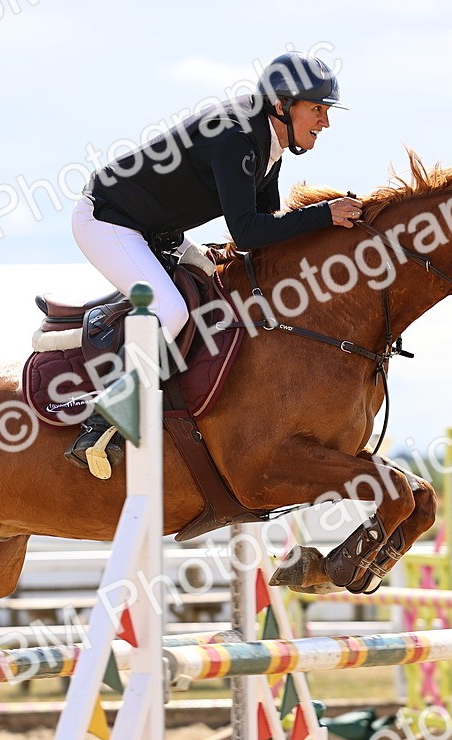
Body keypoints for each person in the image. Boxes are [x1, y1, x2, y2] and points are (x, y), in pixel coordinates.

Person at [66, 51, 365, 472]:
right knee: (169, 310)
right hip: (108, 222)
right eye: (317, 109)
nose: (325, 122)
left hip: (157, 234)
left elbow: (267, 234)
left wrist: (329, 232)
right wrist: (324, 214)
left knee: (219, 287)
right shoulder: (236, 137)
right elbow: (246, 232)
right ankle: (103, 417)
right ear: (281, 105)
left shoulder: (269, 142)